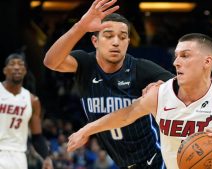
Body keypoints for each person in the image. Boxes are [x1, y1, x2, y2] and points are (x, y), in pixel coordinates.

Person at [67, 33, 212, 169]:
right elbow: (125, 116)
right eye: (176, 56)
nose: (176, 62)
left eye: (185, 56)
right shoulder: (160, 94)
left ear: (207, 62)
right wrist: (87, 130)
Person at [43, 0, 174, 168]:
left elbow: (183, 87)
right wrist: (81, 26)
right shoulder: (85, 64)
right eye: (109, 35)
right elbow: (51, 61)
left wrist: (163, 86)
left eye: (122, 37)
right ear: (95, 41)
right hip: (121, 163)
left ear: (128, 42)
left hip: (156, 161)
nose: (116, 42)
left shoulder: (140, 69)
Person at [0, 53, 53, 169]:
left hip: (19, 157)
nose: (17, 67)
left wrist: (46, 157)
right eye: (12, 64)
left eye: (20, 64)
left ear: (25, 71)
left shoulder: (32, 100)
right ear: (5, 70)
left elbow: (37, 136)